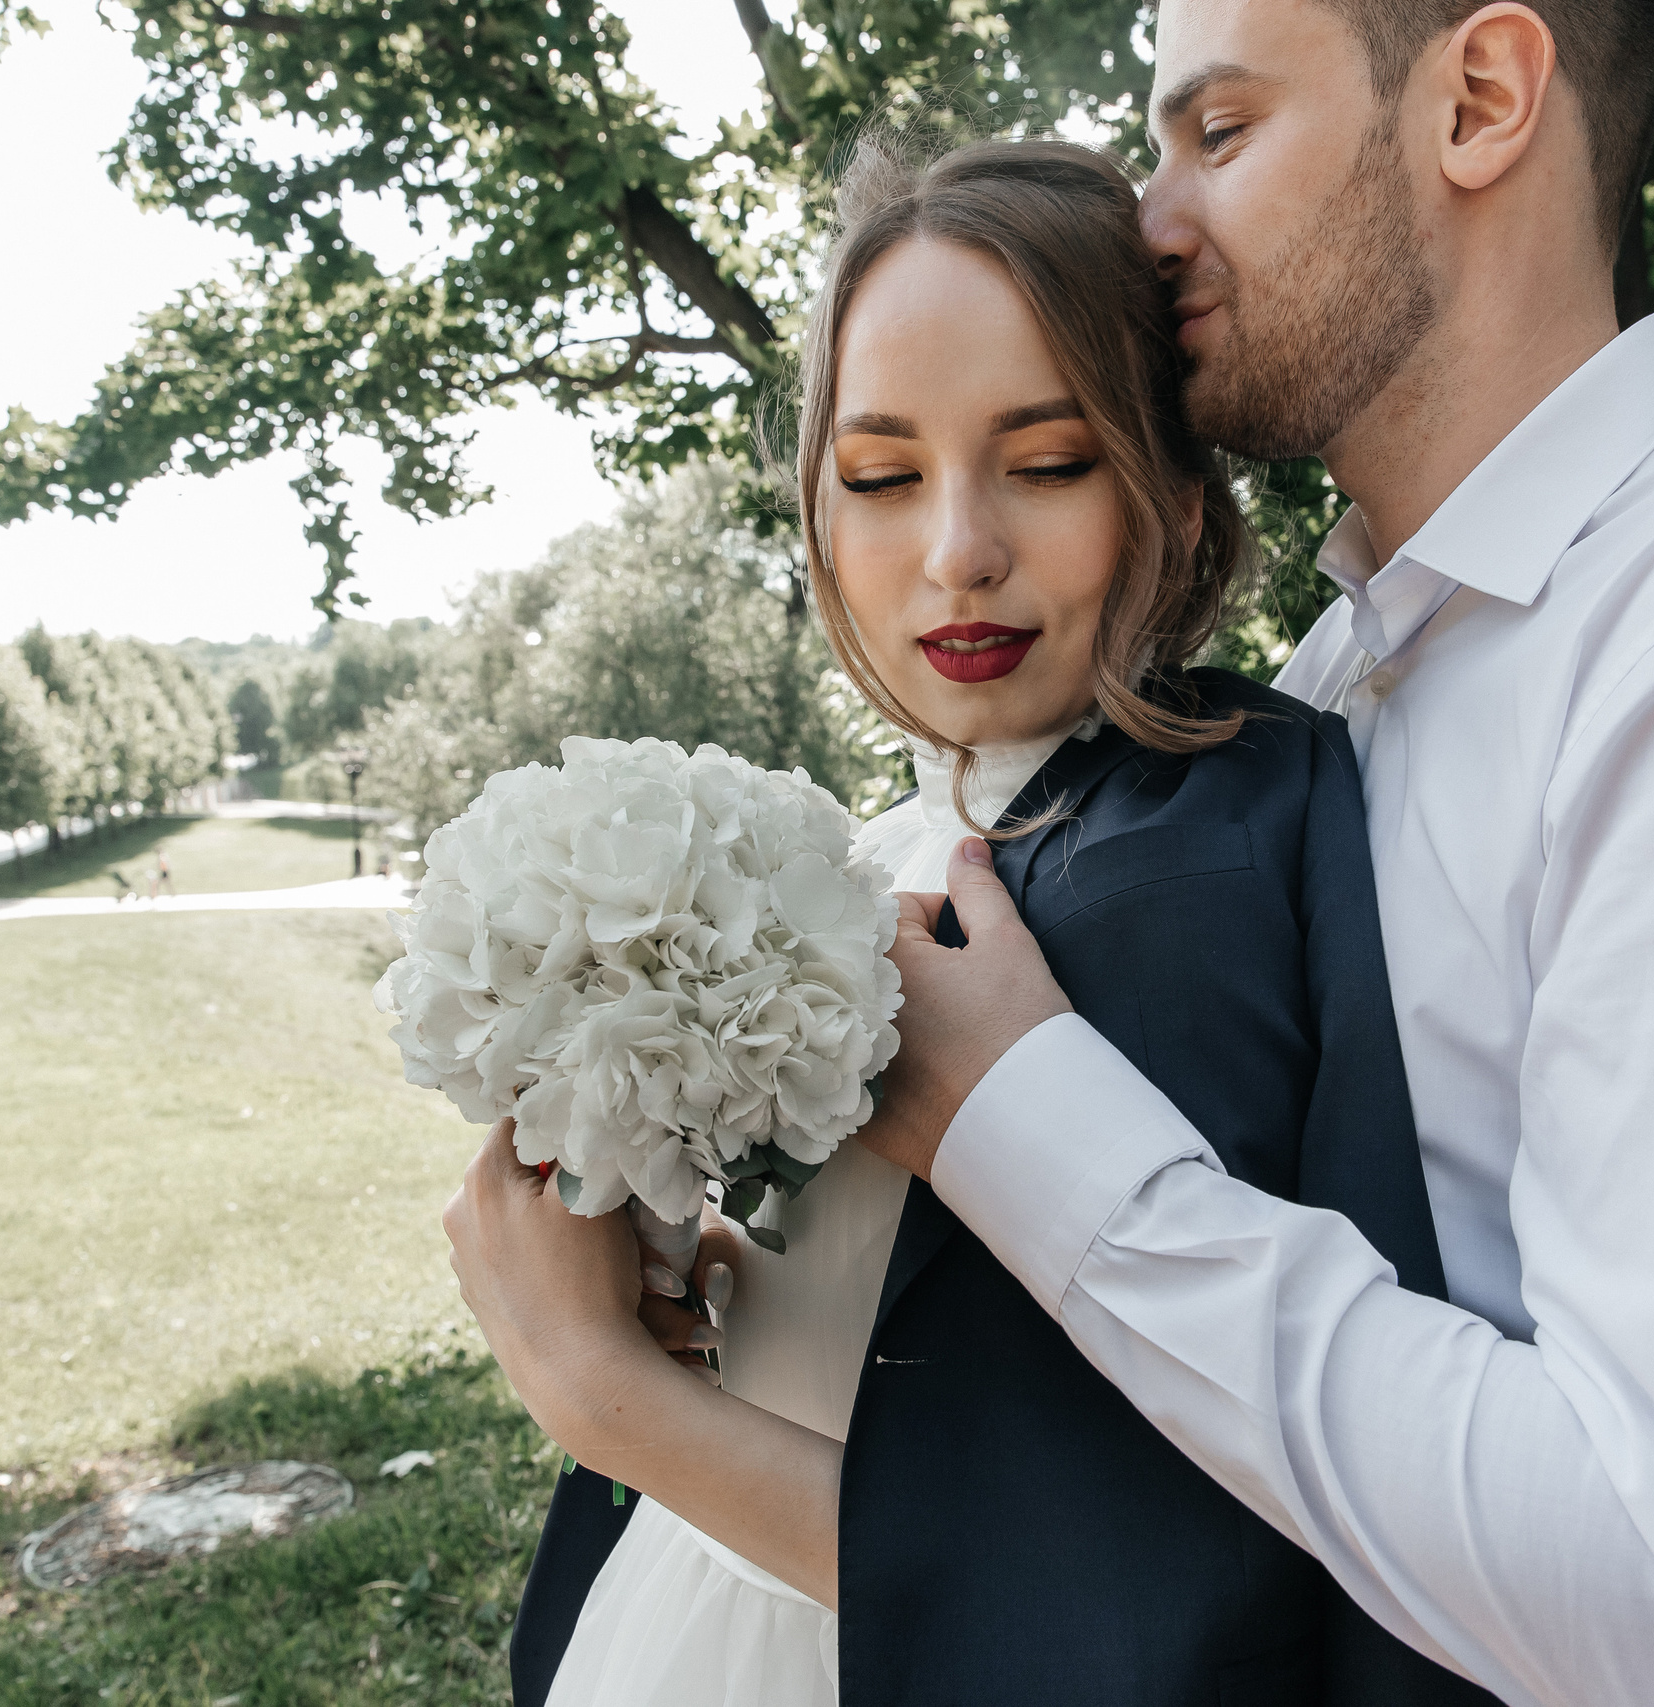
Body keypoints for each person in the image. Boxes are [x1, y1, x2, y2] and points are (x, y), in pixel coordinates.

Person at [840, 2, 1654, 1703]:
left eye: (1217, 132)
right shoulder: (1338, 683)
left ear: (1483, 98)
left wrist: (1027, 1130)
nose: (1149, 217)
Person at [446, 136, 1490, 1707]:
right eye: (880, 476)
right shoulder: (914, 836)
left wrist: (599, 1391)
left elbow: (1133, 1597)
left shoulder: (1175, 866)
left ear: (1182, 496)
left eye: (1051, 459)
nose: (957, 550)